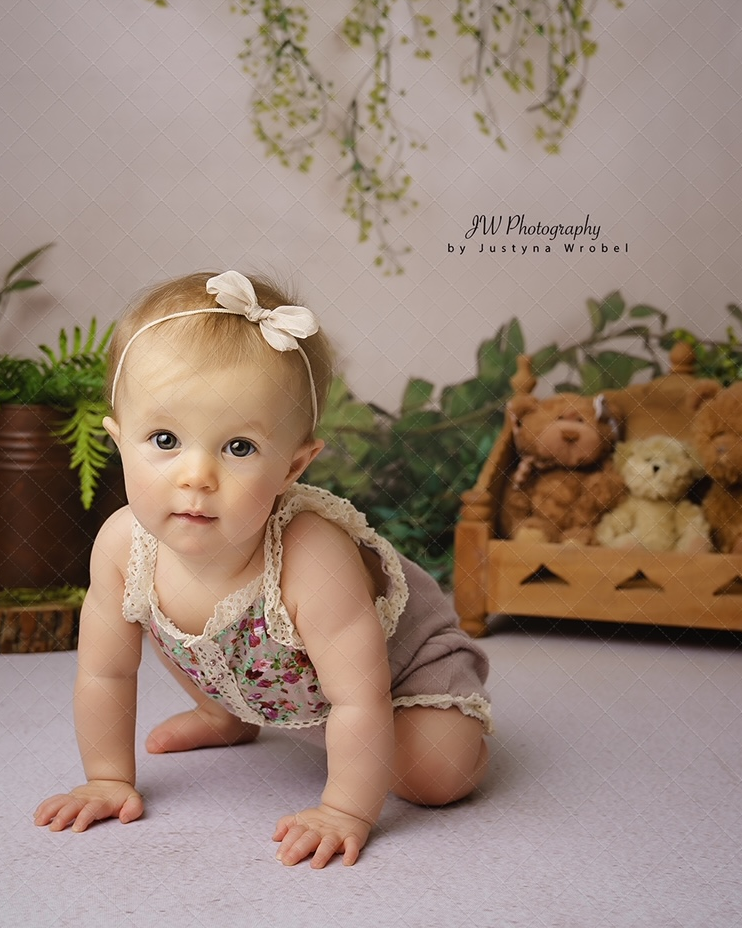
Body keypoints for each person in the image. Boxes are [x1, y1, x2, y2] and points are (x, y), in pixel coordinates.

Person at [34, 270, 492, 868]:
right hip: (271, 677)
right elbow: (106, 674)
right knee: (161, 608)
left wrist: (346, 809)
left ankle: (456, 737)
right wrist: (107, 778)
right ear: (119, 441)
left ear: (293, 467)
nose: (196, 475)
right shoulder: (123, 545)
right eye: (165, 439)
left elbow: (359, 699)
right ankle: (222, 713)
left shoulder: (311, 557)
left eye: (240, 447)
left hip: (398, 678)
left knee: (435, 773)